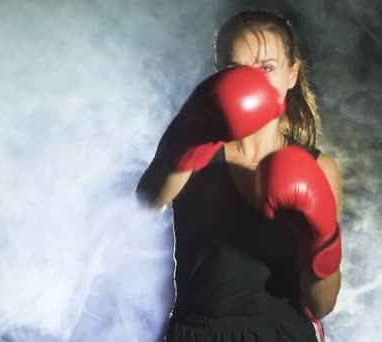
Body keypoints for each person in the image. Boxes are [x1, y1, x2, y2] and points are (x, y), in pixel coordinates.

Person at [136, 9, 342, 342]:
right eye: (237, 70)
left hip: (283, 333)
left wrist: (320, 241)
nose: (253, 83)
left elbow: (322, 304)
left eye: (267, 68)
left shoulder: (318, 168)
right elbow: (146, 202)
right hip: (198, 332)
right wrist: (186, 139)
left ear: (293, 73)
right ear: (219, 75)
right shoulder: (196, 149)